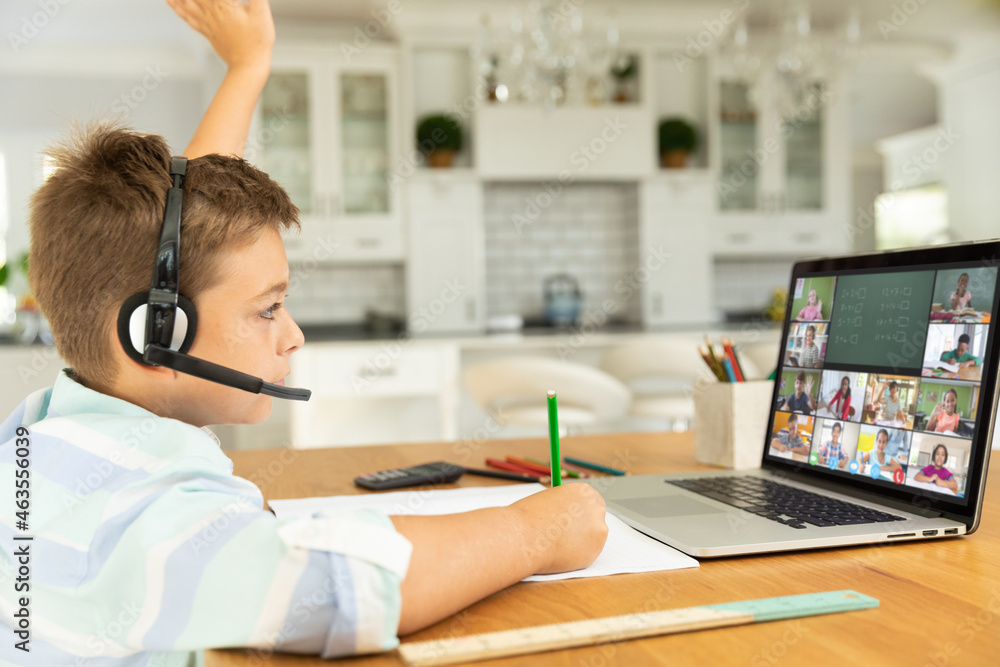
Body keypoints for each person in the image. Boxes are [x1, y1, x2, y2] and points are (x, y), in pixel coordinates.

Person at [0, 2, 608, 665]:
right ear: (157, 333)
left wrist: (247, 66)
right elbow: (343, 590)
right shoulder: (137, 523)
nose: (292, 336)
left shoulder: (48, 435)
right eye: (269, 308)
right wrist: (539, 528)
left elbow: (191, 246)